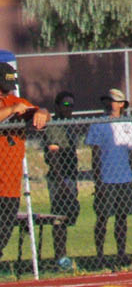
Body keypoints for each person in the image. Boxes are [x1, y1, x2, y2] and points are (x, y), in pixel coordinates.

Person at [0, 54, 49, 266]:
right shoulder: (11, 106)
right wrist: (11, 111)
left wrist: (42, 113)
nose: (8, 90)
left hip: (10, 186)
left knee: (2, 236)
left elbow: (39, 112)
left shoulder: (16, 101)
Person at [86, 88, 132, 266]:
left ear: (122, 104)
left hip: (124, 178)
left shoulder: (128, 124)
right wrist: (98, 180)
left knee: (122, 217)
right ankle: (100, 255)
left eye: (115, 101)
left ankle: (121, 253)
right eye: (108, 101)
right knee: (102, 217)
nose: (111, 104)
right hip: (106, 179)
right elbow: (95, 154)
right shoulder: (98, 123)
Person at [42, 91, 82, 269]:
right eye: (66, 105)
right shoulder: (54, 125)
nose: (69, 108)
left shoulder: (69, 125)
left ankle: (62, 255)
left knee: (67, 217)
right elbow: (53, 155)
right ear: (57, 106)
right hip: (60, 178)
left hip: (71, 176)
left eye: (71, 105)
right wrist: (61, 182)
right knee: (59, 217)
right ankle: (60, 256)